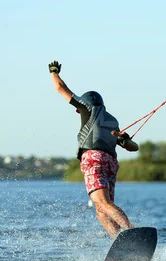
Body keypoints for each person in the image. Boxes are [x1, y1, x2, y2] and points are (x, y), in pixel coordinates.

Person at [49, 60, 139, 239]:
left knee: (102, 203)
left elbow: (61, 89)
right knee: (101, 210)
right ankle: (119, 239)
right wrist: (125, 139)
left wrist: (53, 72)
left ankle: (131, 231)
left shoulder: (88, 108)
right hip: (110, 164)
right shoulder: (112, 121)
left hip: (93, 159)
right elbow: (132, 148)